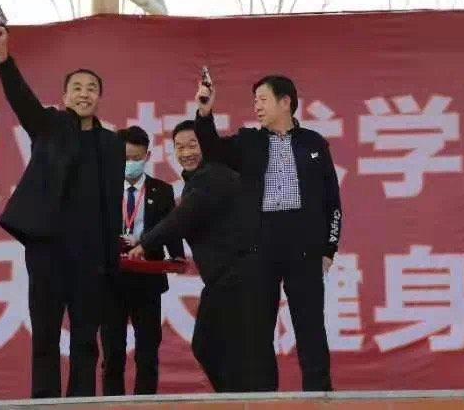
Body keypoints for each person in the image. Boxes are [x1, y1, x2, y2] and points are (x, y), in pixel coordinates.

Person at [0, 24, 124, 397]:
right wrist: (2, 57)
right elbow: (21, 99)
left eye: (91, 88)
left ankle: (81, 403)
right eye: (76, 88)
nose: (84, 93)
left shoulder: (112, 144)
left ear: (100, 98)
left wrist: (112, 257)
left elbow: (112, 204)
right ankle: (44, 403)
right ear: (64, 96)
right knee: (45, 336)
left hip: (91, 255)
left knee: (85, 341)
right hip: (48, 250)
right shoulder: (48, 125)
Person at [193, 74, 342, 391]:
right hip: (260, 244)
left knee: (310, 326)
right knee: (257, 331)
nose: (257, 106)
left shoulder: (313, 143)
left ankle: (319, 394)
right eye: (254, 101)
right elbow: (214, 150)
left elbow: (332, 201)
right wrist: (204, 114)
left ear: (285, 101)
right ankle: (263, 396)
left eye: (263, 99)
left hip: (304, 244)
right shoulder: (249, 142)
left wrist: (329, 248)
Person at [127, 120, 275, 392]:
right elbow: (181, 222)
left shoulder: (212, 176)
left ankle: (247, 400)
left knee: (227, 347)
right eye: (179, 147)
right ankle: (239, 398)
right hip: (226, 279)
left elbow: (183, 217)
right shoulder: (198, 181)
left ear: (205, 145)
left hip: (242, 275)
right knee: (220, 347)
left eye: (192, 145)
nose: (186, 153)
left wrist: (145, 243)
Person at [100, 125, 186, 395]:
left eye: (136, 158)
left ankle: (145, 402)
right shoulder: (103, 189)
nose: (131, 163)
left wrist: (178, 256)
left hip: (148, 280)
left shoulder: (161, 190)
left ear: (147, 156)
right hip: (112, 282)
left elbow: (171, 228)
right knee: (113, 353)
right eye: (125, 158)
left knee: (147, 352)